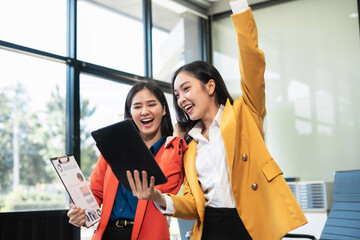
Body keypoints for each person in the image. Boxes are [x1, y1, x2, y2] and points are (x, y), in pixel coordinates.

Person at [126, 0, 308, 239]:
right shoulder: (191, 146)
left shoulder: (246, 113)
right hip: (210, 229)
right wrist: (157, 197)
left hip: (249, 226)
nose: (181, 99)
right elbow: (193, 204)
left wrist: (239, 7)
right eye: (177, 94)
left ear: (210, 86)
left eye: (186, 89)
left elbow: (252, 61)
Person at [67, 81, 187, 240]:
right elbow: (95, 192)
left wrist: (176, 138)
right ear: (130, 113)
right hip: (107, 234)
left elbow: (166, 187)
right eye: (137, 107)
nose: (144, 111)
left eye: (151, 104)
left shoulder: (173, 149)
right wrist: (80, 213)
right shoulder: (113, 148)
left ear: (164, 109)